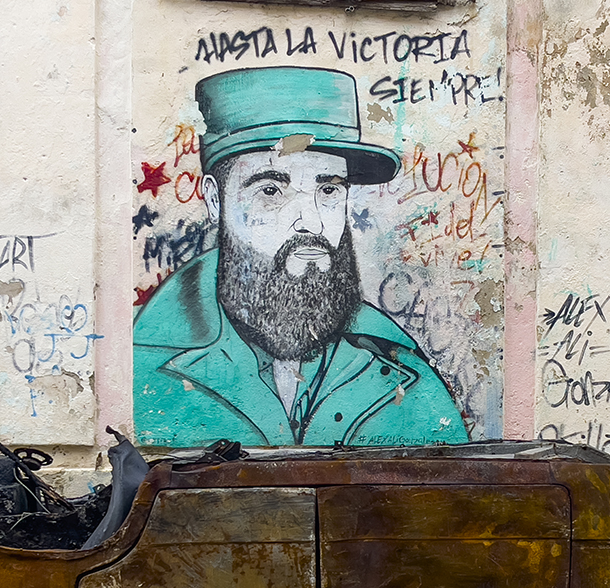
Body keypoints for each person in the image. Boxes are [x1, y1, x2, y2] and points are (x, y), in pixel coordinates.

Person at [133, 66, 469, 447]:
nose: (309, 223)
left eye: (328, 190)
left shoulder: (400, 368)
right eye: (272, 191)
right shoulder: (141, 364)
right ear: (215, 200)